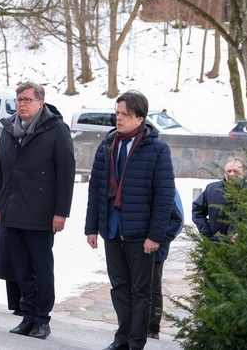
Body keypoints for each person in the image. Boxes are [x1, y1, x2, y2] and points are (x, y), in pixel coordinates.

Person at [84, 90, 175, 350]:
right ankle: (122, 338)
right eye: (117, 113)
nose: (119, 118)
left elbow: (164, 196)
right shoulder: (107, 145)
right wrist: (92, 227)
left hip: (141, 234)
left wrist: (155, 235)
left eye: (125, 114)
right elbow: (96, 189)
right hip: (112, 230)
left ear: (140, 118)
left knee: (141, 291)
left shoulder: (157, 149)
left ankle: (136, 342)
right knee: (119, 287)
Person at [0, 81, 75, 340]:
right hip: (12, 211)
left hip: (41, 213)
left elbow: (66, 172)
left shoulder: (56, 129)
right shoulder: (9, 129)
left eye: (27, 99)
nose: (22, 104)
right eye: (19, 99)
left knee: (41, 268)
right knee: (21, 269)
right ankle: (27, 316)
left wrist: (61, 212)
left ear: (41, 102)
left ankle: (42, 319)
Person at [148, 189, 184, 340]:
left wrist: (159, 239)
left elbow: (177, 221)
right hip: (135, 245)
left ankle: (152, 328)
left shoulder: (169, 188)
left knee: (153, 287)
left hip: (156, 247)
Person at [192, 157, 247, 241]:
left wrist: (243, 234)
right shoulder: (211, 189)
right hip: (214, 246)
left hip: (242, 247)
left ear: (244, 173)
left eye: (235, 171)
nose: (232, 174)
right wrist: (206, 234)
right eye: (229, 171)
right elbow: (197, 211)